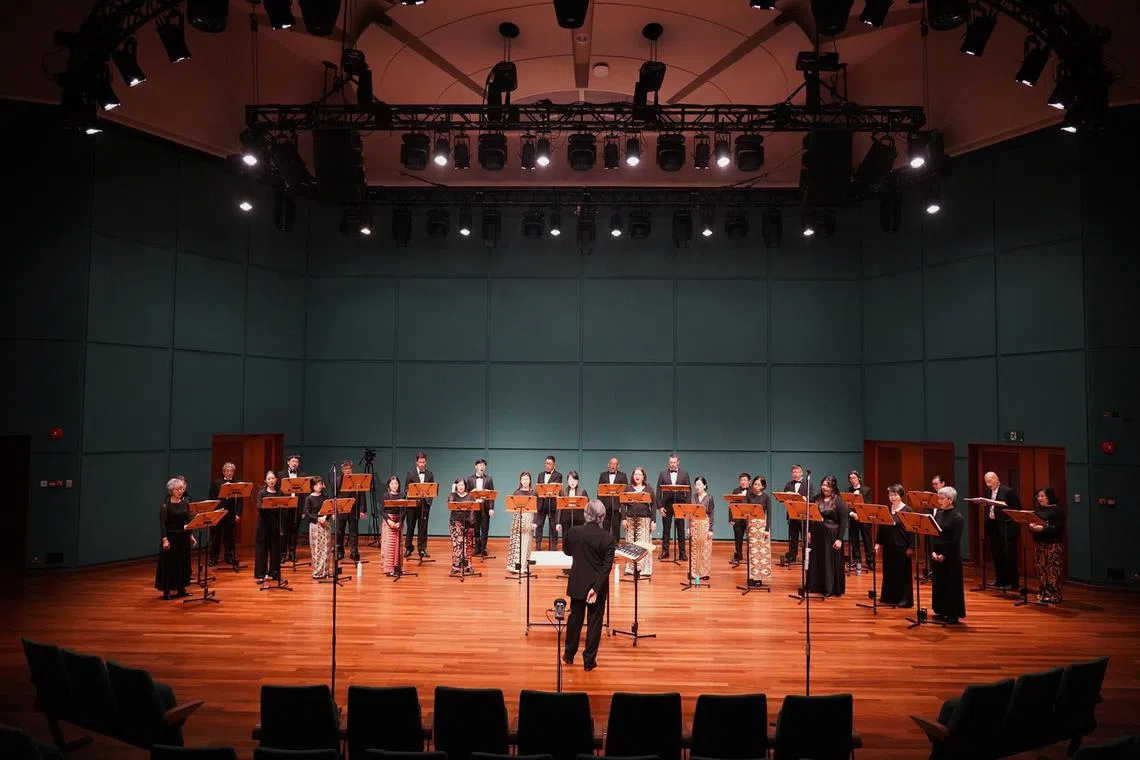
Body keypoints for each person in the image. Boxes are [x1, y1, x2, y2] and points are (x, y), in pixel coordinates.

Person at [561, 500, 616, 672]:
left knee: (575, 619)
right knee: (594, 623)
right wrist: (596, 589)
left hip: (578, 582)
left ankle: (569, 655)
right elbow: (607, 568)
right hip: (597, 586)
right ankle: (589, 661)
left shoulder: (574, 532)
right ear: (602, 517)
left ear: (586, 515)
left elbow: (567, 551)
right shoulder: (608, 538)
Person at [930, 485, 966, 623]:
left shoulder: (957, 517)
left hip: (950, 557)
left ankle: (952, 614)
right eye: (939, 498)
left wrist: (944, 555)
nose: (939, 501)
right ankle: (941, 610)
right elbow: (934, 534)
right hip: (937, 554)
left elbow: (955, 540)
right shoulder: (938, 514)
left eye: (942, 498)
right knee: (939, 584)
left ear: (950, 500)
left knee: (951, 585)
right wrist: (933, 551)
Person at [807, 475, 847, 597]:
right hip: (816, 534)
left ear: (833, 487)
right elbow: (810, 516)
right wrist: (808, 531)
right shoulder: (816, 499)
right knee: (816, 560)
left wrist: (839, 539)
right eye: (823, 485)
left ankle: (829, 588)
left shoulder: (838, 500)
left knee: (828, 562)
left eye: (827, 486)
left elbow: (843, 521)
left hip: (831, 536)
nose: (824, 487)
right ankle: (815, 586)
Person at [155, 477, 195, 599]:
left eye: (182, 489)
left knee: (183, 563)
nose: (180, 491)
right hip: (171, 538)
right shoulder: (165, 506)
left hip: (183, 538)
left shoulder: (185, 504)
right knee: (170, 565)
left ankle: (181, 588)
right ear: (171, 491)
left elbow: (187, 520)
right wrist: (165, 539)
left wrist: (191, 535)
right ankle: (167, 591)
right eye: (177, 489)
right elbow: (163, 525)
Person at [874, 484, 914, 607]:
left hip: (902, 547)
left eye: (895, 495)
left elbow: (912, 530)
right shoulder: (887, 509)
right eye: (890, 494)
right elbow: (882, 526)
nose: (892, 497)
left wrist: (911, 547)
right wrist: (878, 542)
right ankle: (888, 597)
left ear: (901, 495)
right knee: (889, 572)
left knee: (901, 573)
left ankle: (904, 599)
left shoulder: (907, 510)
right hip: (889, 546)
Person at [983, 471, 1021, 590]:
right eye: (986, 482)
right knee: (997, 553)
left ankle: (1012, 582)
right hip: (993, 526)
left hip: (1006, 527)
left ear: (997, 479)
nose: (988, 484)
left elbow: (1017, 509)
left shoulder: (1008, 491)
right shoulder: (988, 492)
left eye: (990, 481)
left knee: (1008, 555)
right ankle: (1000, 580)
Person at [1030, 487, 1066, 603]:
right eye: (1038, 496)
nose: (1040, 498)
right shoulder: (1037, 509)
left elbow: (1058, 528)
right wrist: (1032, 526)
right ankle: (1043, 592)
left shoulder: (1056, 510)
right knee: (1041, 568)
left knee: (1052, 569)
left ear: (1049, 497)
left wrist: (1043, 529)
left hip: (1052, 544)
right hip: (1040, 543)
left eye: (1042, 496)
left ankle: (1054, 594)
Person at [656, 454, 691, 561]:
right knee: (666, 529)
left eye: (674, 462)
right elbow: (658, 491)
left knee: (680, 529)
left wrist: (686, 506)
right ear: (668, 462)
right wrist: (660, 506)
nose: (672, 464)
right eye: (671, 462)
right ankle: (665, 551)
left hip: (680, 505)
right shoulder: (663, 474)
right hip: (666, 504)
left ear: (678, 462)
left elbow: (689, 491)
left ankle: (682, 553)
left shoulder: (684, 474)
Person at [622, 467, 656, 576]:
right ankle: (630, 568)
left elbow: (654, 505)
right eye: (635, 474)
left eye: (639, 474)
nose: (637, 476)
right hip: (630, 520)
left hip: (644, 520)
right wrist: (623, 518)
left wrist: (653, 521)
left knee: (643, 544)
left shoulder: (649, 489)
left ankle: (644, 569)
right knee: (630, 544)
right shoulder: (628, 488)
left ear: (643, 477)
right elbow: (622, 504)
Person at [208, 462, 241, 568]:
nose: (229, 473)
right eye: (227, 470)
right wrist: (212, 513)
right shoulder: (216, 483)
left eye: (231, 471)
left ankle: (229, 556)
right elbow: (212, 498)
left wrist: (238, 513)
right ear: (223, 472)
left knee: (229, 536)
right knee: (215, 536)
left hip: (231, 514)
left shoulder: (237, 483)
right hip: (218, 513)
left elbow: (239, 501)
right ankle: (214, 557)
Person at [403, 452, 435, 559]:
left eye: (423, 462)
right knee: (410, 526)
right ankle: (408, 548)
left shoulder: (430, 474)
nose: (422, 464)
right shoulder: (410, 473)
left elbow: (432, 489)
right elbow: (406, 489)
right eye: (420, 462)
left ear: (426, 462)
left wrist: (429, 502)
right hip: (412, 505)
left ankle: (422, 548)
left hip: (424, 505)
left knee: (423, 527)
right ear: (416, 462)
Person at [254, 470, 284, 583]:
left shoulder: (280, 492)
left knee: (275, 549)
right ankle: (261, 574)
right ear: (265, 481)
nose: (271, 480)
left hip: (275, 523)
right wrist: (270, 504)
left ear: (276, 480)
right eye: (269, 479)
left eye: (273, 478)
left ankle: (275, 573)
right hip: (263, 524)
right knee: (262, 549)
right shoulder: (262, 493)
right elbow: (259, 506)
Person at [744, 475, 773, 588]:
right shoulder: (749, 495)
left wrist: (767, 529)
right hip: (751, 526)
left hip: (762, 526)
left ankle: (760, 578)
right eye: (755, 484)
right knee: (752, 552)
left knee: (761, 553)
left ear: (763, 487)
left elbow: (769, 514)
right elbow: (744, 509)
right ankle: (752, 576)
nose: (756, 486)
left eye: (758, 485)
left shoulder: (766, 497)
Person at [335, 460, 365, 563]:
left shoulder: (357, 479)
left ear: (352, 469)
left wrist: (362, 509)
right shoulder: (338, 480)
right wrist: (335, 510)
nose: (347, 471)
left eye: (349, 468)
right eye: (345, 469)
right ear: (342, 470)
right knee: (340, 531)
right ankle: (340, 551)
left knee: (353, 532)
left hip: (354, 509)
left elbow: (361, 495)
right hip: (341, 508)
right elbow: (335, 496)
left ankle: (354, 552)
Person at [276, 454, 304, 563]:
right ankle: (283, 554)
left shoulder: (302, 475)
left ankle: (292, 553)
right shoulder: (280, 474)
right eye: (292, 461)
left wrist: (302, 510)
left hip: (296, 507)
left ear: (298, 464)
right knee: (283, 531)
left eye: (296, 461)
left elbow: (304, 494)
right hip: (284, 507)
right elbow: (278, 491)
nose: (294, 463)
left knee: (294, 532)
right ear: (288, 462)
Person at [464, 459, 495, 557]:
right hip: (474, 507)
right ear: (476, 466)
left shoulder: (489, 479)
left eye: (483, 465)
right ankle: (477, 547)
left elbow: (492, 495)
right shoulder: (470, 479)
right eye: (480, 465)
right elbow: (467, 494)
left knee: (485, 528)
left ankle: (483, 548)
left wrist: (491, 508)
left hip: (485, 507)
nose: (482, 467)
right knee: (476, 528)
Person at [507, 472, 536, 575]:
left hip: (529, 518)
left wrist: (535, 522)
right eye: (523, 479)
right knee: (517, 543)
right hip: (518, 518)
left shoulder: (533, 493)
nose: (525, 481)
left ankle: (524, 567)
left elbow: (537, 509)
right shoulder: (516, 492)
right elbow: (513, 507)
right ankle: (516, 567)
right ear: (520, 480)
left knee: (526, 543)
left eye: (527, 479)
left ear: (530, 480)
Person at [448, 478, 477, 575]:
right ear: (456, 486)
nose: (461, 487)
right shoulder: (453, 495)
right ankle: (456, 566)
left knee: (468, 545)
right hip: (455, 523)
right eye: (459, 485)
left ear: (465, 486)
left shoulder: (470, 496)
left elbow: (473, 510)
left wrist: (472, 523)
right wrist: (453, 491)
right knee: (456, 545)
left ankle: (468, 566)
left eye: (462, 485)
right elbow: (450, 504)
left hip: (468, 523)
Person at [303, 477, 330, 580]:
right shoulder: (309, 498)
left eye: (320, 484)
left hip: (325, 523)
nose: (319, 486)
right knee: (317, 549)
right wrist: (317, 518)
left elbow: (329, 508)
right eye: (317, 484)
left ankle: (325, 571)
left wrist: (325, 517)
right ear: (312, 486)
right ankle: (317, 572)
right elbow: (307, 513)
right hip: (315, 525)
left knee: (326, 548)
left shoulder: (325, 496)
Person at [847, 470, 873, 572]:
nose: (852, 480)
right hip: (853, 518)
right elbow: (846, 504)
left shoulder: (866, 490)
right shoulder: (848, 490)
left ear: (858, 478)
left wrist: (860, 514)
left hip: (864, 518)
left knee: (867, 540)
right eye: (850, 478)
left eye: (854, 478)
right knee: (854, 540)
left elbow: (868, 504)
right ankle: (856, 560)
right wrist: (852, 513)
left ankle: (870, 561)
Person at [534, 455, 563, 550]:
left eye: (550, 464)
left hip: (552, 504)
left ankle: (553, 546)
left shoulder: (558, 475)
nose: (548, 465)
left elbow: (556, 489)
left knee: (553, 526)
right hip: (541, 504)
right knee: (539, 525)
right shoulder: (540, 475)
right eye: (547, 463)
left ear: (554, 464)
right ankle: (538, 546)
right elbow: (538, 489)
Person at [783, 464, 809, 563]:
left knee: (805, 538)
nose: (795, 474)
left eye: (797, 472)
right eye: (793, 472)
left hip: (803, 515)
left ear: (801, 473)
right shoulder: (788, 485)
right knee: (793, 537)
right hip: (792, 515)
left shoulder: (808, 484)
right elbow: (784, 498)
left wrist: (805, 498)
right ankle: (792, 556)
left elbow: (812, 498)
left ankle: (805, 557)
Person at [690, 476, 714, 581]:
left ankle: (705, 573)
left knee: (705, 549)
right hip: (694, 524)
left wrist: (711, 529)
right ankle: (694, 573)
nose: (697, 486)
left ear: (704, 486)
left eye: (699, 484)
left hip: (705, 524)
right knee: (695, 549)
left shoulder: (709, 497)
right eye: (696, 484)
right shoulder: (692, 497)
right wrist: (689, 526)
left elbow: (711, 514)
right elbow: (690, 513)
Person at [597, 458, 628, 538]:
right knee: (605, 526)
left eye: (615, 464)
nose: (613, 465)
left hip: (617, 506)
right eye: (611, 464)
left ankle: (615, 543)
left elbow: (625, 492)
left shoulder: (623, 476)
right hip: (605, 506)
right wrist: (600, 505)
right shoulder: (603, 475)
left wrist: (622, 506)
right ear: (608, 465)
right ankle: (605, 542)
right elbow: (599, 491)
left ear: (618, 466)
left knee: (616, 527)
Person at [380, 475, 404, 576]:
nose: (394, 486)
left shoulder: (402, 496)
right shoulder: (385, 496)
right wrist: (389, 521)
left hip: (398, 520)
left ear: (399, 485)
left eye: (396, 484)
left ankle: (397, 567)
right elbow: (382, 510)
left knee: (398, 545)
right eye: (392, 484)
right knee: (389, 545)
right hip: (388, 521)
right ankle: (388, 568)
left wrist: (400, 522)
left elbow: (404, 510)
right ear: (389, 485)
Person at [557, 471, 589, 539]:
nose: (572, 482)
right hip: (566, 520)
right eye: (570, 480)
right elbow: (559, 508)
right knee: (566, 539)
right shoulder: (562, 492)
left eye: (575, 480)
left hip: (579, 520)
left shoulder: (582, 491)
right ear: (567, 481)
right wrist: (558, 522)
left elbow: (587, 508)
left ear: (577, 481)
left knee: (578, 539)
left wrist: (586, 521)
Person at [730, 472, 751, 563]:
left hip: (749, 519)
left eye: (745, 480)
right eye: (741, 480)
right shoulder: (736, 491)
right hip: (738, 518)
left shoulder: (753, 491)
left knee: (751, 538)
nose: (743, 482)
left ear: (749, 481)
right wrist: (731, 518)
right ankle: (739, 556)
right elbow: (731, 505)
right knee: (738, 538)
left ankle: (751, 556)